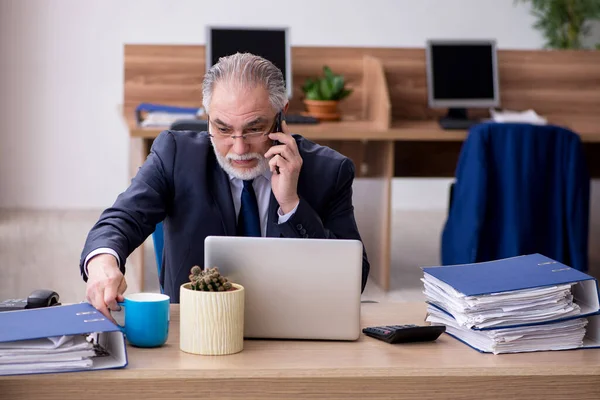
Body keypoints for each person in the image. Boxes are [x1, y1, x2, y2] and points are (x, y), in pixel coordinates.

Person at [80, 52, 370, 322]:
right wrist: (103, 263)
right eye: (223, 129)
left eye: (255, 128)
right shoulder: (175, 155)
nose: (239, 147)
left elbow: (353, 280)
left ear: (282, 115)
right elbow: (121, 219)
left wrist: (292, 205)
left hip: (293, 328)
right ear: (207, 116)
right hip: (199, 328)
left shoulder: (330, 171)